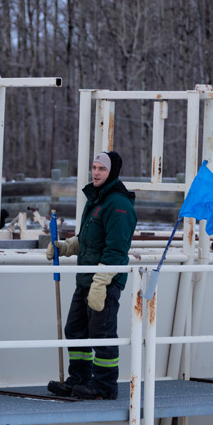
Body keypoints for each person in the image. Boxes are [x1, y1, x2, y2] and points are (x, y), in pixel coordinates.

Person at [46, 150, 137, 400]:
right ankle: (80, 380)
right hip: (86, 279)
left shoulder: (118, 205)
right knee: (75, 330)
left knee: (102, 334)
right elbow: (88, 240)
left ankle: (105, 385)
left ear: (112, 173)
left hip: (104, 283)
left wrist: (101, 282)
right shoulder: (96, 199)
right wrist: (65, 247)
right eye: (94, 167)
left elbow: (116, 249)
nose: (95, 172)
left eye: (101, 169)